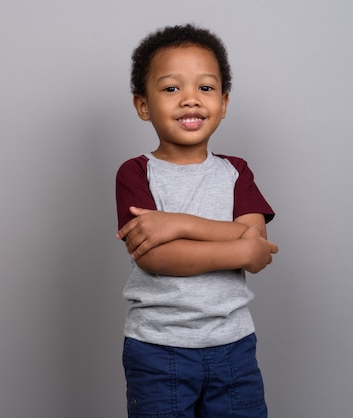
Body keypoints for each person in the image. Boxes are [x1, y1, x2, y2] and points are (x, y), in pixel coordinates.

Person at [115, 24, 279, 418]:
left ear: (223, 102)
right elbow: (155, 258)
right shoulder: (135, 173)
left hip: (234, 346)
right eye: (172, 89)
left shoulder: (236, 172)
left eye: (205, 88)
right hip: (159, 350)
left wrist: (178, 224)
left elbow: (258, 252)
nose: (190, 99)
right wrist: (238, 244)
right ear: (143, 105)